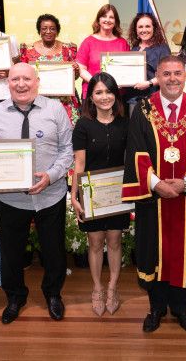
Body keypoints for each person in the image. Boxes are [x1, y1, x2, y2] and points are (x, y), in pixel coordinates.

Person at [122, 55, 186, 333]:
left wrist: (184, 183)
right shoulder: (143, 110)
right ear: (158, 77)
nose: (172, 78)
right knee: (152, 250)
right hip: (153, 199)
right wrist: (156, 184)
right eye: (166, 74)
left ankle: (181, 308)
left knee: (185, 251)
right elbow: (136, 151)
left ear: (185, 75)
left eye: (177, 73)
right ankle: (156, 308)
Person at [0, 62, 73, 324]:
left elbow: (67, 150)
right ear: (7, 83)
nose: (21, 84)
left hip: (50, 195)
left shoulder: (56, 109)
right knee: (11, 253)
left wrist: (51, 176)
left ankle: (53, 295)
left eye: (26, 79)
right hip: (10, 197)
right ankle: (15, 297)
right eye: (15, 80)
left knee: (54, 251)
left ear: (37, 82)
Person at [70, 73, 130, 316]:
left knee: (115, 241)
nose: (104, 97)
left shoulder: (126, 123)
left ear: (115, 94)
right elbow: (79, 163)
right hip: (91, 193)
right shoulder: (83, 125)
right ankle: (97, 289)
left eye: (108, 91)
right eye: (98, 92)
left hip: (117, 193)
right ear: (91, 97)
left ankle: (113, 288)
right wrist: (75, 196)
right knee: (95, 243)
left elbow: (130, 160)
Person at [19, 13, 81, 124]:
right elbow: (22, 75)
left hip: (65, 101)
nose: (48, 31)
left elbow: (75, 77)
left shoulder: (68, 49)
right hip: (38, 101)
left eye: (52, 28)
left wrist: (76, 71)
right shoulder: (28, 50)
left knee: (67, 134)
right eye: (44, 28)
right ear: (39, 30)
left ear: (57, 31)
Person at [77, 4, 129, 98]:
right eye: (104, 16)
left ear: (115, 21)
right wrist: (97, 83)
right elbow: (81, 69)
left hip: (117, 95)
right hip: (92, 93)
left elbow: (127, 69)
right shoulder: (88, 41)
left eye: (111, 17)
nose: (107, 20)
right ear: (99, 20)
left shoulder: (122, 43)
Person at [126, 13, 171, 103]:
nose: (144, 30)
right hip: (132, 99)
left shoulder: (162, 48)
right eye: (140, 27)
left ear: (154, 28)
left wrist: (149, 83)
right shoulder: (134, 48)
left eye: (147, 26)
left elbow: (167, 74)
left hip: (154, 98)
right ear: (136, 29)